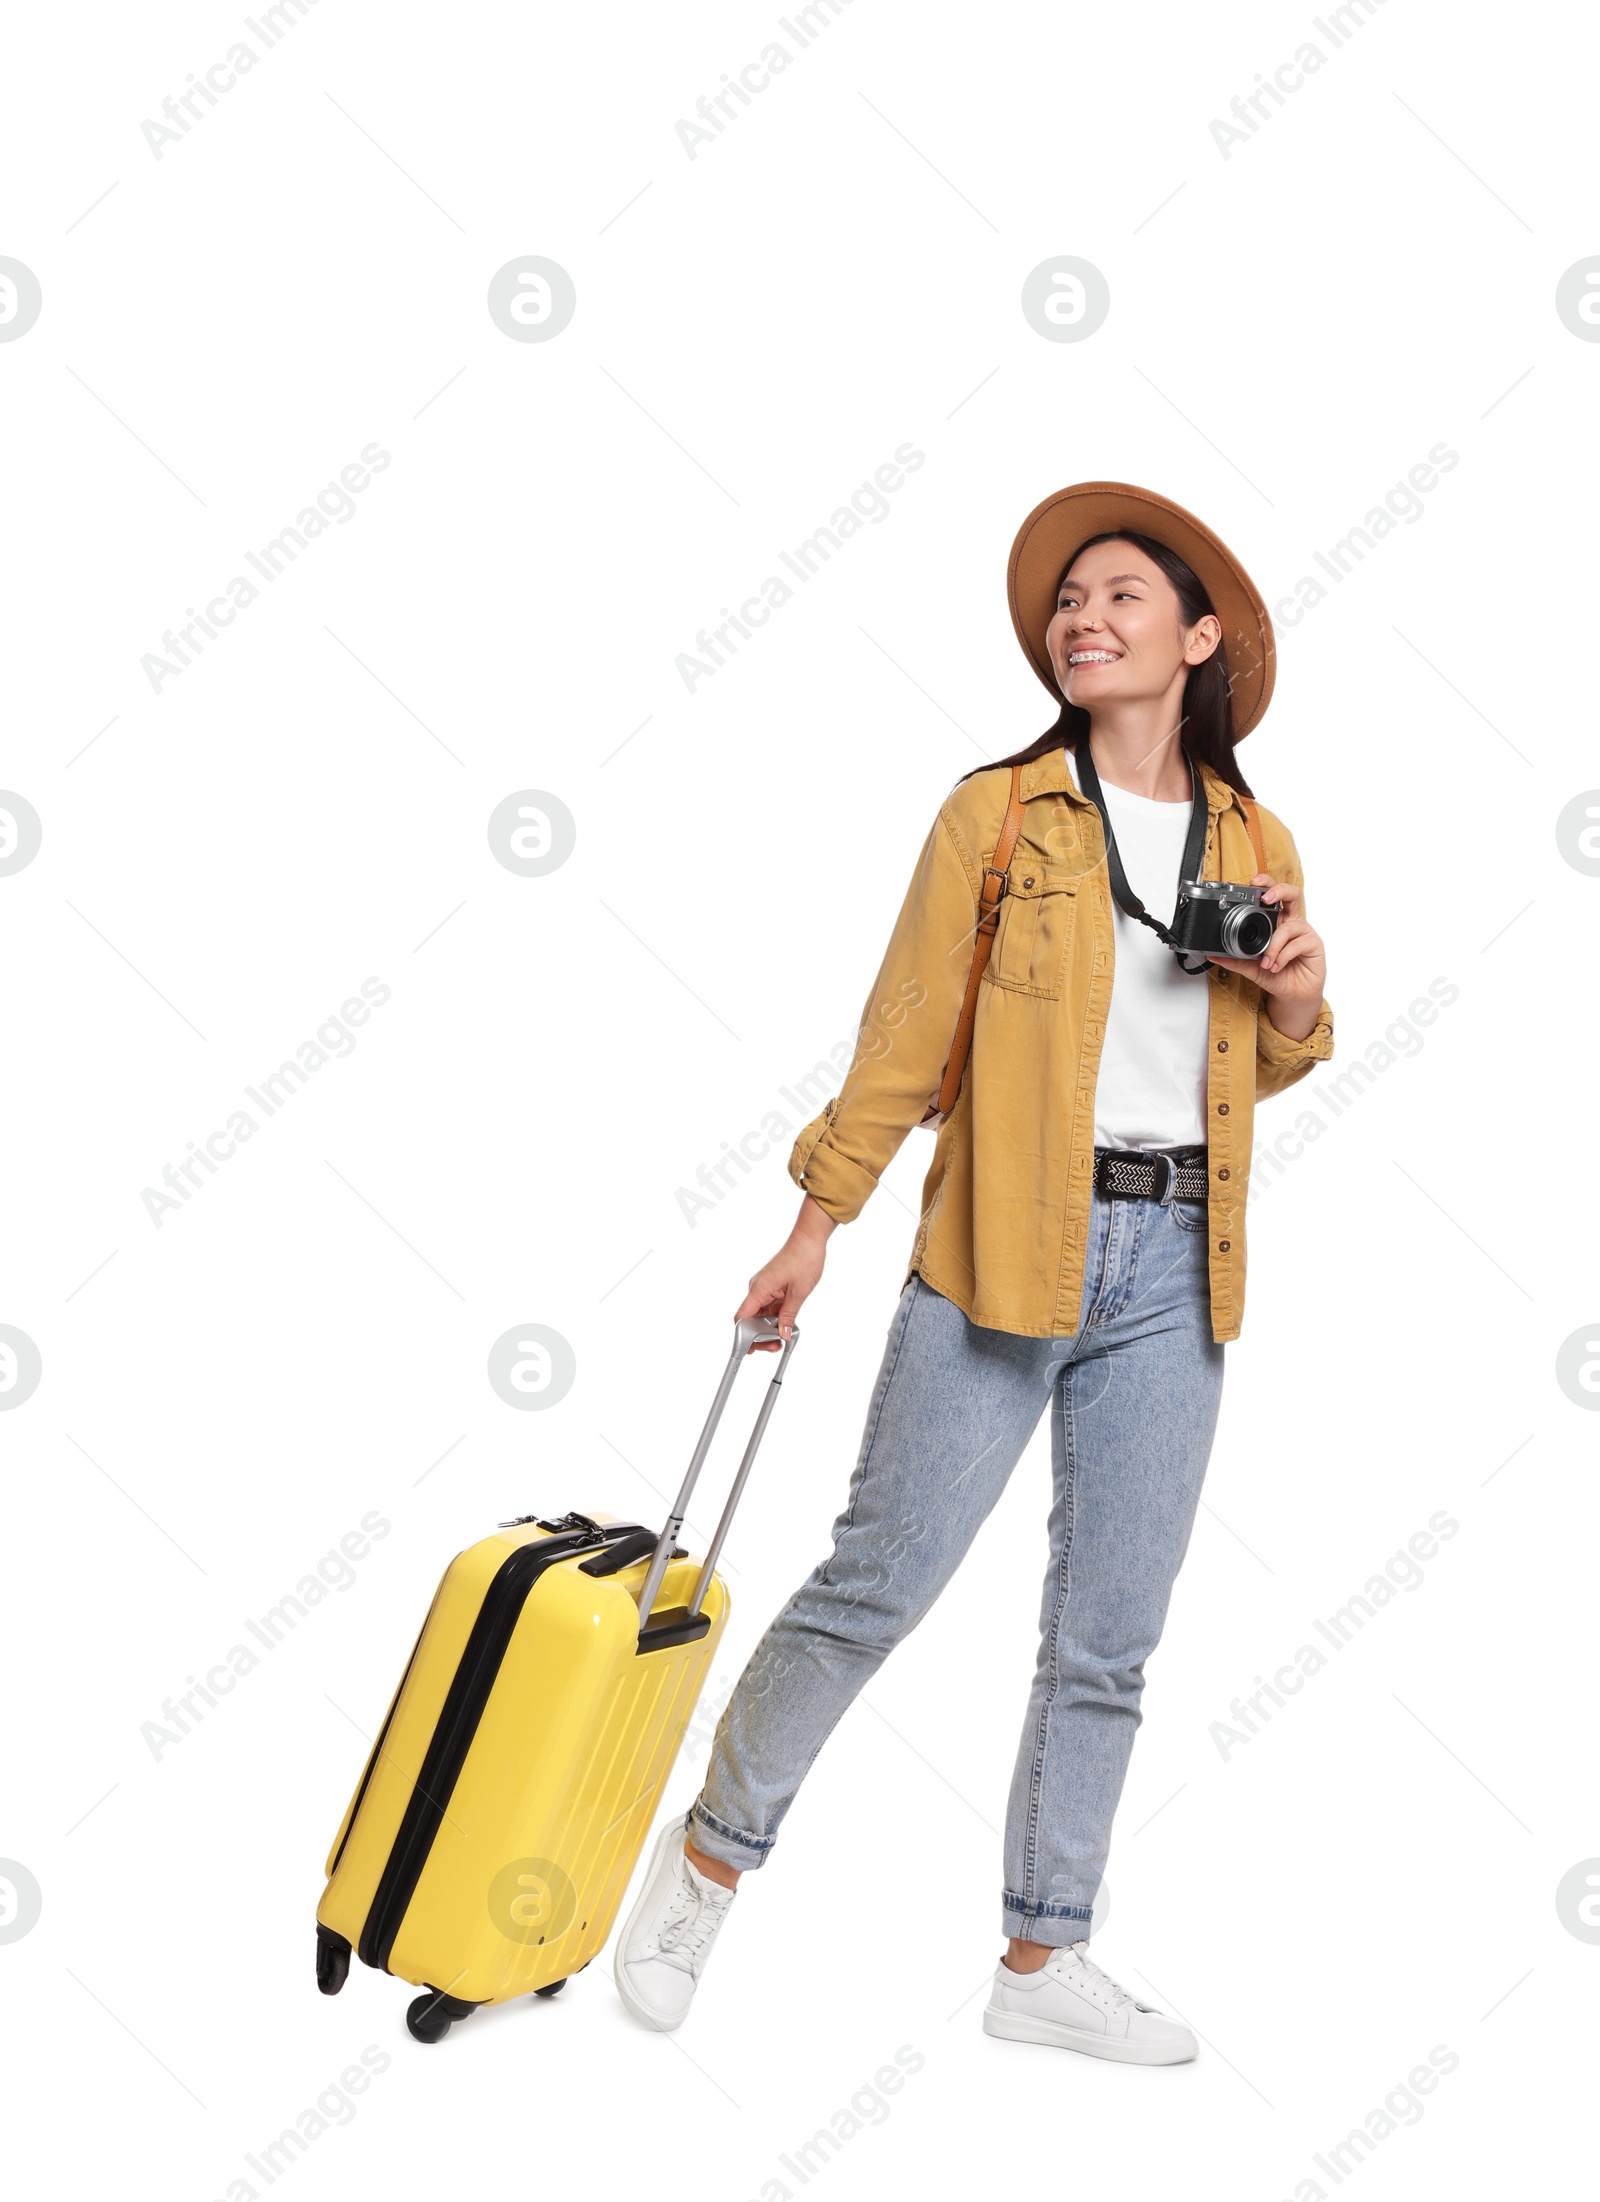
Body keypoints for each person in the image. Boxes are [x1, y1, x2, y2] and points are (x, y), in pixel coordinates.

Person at [614, 481, 1334, 2062]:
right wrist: (820, 1217)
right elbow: (907, 1038)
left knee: (1110, 1631)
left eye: (1123, 595)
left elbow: (1258, 1059)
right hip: (1001, 1239)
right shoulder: (999, 814)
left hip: (1177, 1265)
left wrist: (1293, 993)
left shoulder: (1255, 838)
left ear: (1198, 639)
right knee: (880, 1578)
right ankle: (708, 1863)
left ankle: (1041, 1955)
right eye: (1069, 601)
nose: (1085, 617)